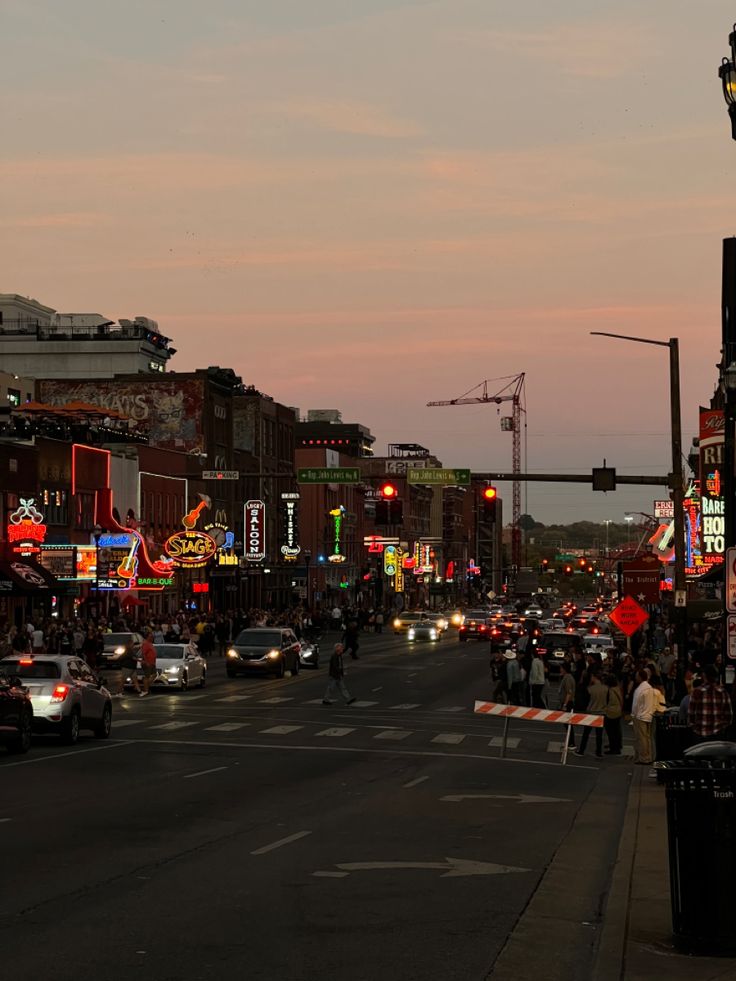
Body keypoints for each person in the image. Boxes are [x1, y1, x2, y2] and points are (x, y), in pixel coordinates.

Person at [688, 664, 733, 742]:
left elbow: (691, 715)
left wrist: (695, 727)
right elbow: (729, 717)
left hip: (700, 735)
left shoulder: (697, 692)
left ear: (704, 676)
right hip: (718, 736)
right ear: (716, 677)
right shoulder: (723, 692)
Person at [575, 670, 607, 758]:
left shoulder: (590, 689)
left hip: (591, 712)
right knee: (599, 735)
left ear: (594, 677)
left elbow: (585, 701)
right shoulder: (605, 689)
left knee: (586, 734)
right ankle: (599, 752)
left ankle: (581, 750)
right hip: (601, 712)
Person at [631, 669, 656, 764]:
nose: (636, 677)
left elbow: (636, 704)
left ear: (640, 677)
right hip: (648, 715)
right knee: (647, 738)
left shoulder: (640, 689)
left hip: (640, 716)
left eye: (637, 676)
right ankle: (648, 756)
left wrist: (633, 715)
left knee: (641, 738)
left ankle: (643, 758)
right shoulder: (649, 687)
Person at [603, 675, 624, 755]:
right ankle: (618, 746)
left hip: (610, 713)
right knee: (617, 730)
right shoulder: (618, 688)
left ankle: (613, 748)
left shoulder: (609, 690)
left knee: (611, 731)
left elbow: (606, 701)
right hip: (618, 711)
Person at [139, 630, 158, 697]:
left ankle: (145, 687)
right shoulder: (145, 643)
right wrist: (146, 662)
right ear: (147, 637)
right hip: (148, 663)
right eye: (150, 636)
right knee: (147, 676)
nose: (152, 638)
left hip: (152, 663)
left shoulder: (150, 643)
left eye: (152, 636)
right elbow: (143, 654)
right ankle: (145, 690)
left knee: (154, 675)